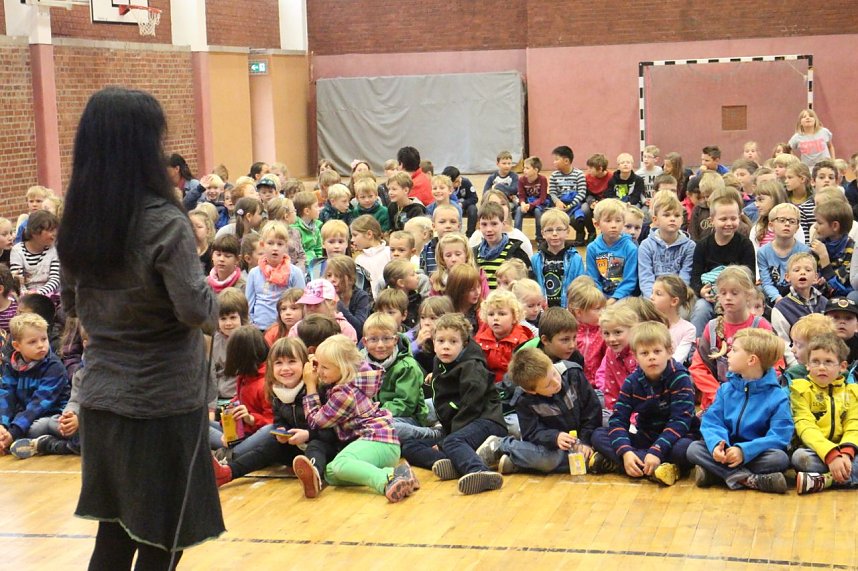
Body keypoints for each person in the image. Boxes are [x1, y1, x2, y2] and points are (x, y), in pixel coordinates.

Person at [58, 88, 224, 567]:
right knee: (162, 537)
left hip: (102, 396)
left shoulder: (78, 221)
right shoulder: (164, 222)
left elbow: (70, 305)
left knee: (112, 538)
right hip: (165, 399)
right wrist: (220, 304)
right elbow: (195, 310)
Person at [302, 335, 417, 502]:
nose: (319, 371)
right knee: (331, 473)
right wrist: (320, 359)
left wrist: (310, 385)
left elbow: (315, 421)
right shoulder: (353, 377)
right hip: (381, 444)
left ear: (343, 368)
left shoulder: (345, 394)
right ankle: (400, 474)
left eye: (325, 367)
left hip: (377, 441)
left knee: (341, 464)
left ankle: (386, 481)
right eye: (318, 365)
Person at [400, 313, 506, 495]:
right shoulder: (439, 362)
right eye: (440, 341)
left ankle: (479, 471)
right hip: (458, 428)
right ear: (433, 342)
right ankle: (456, 462)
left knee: (452, 442)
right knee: (409, 445)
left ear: (464, 344)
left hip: (486, 422)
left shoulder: (472, 366)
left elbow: (471, 407)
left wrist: (444, 443)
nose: (445, 347)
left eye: (453, 342)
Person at [589, 322, 698, 486]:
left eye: (657, 351)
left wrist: (657, 450)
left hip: (677, 438)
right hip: (646, 437)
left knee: (686, 450)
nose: (651, 357)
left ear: (669, 351)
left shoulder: (680, 378)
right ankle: (654, 467)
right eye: (644, 353)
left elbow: (680, 422)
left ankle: (627, 465)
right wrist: (625, 451)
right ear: (635, 356)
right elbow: (618, 420)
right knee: (598, 435)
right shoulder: (632, 382)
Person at [686, 329, 794, 493]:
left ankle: (716, 474)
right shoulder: (725, 389)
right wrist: (717, 445)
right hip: (726, 451)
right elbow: (711, 421)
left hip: (755, 454)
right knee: (693, 449)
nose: (728, 354)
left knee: (779, 459)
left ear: (751, 360)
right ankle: (748, 479)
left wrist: (744, 451)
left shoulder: (778, 396)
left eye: (734, 350)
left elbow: (780, 437)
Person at [479, 347, 600, 474]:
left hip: (584, 434)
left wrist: (585, 441)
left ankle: (519, 462)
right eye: (548, 385)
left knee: (605, 429)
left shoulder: (573, 373)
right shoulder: (524, 400)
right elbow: (531, 433)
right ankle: (502, 446)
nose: (556, 382)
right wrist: (554, 437)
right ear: (531, 391)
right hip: (554, 446)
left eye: (553, 373)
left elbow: (592, 410)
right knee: (549, 460)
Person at [690, 266, 775, 409]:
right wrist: (718, 395)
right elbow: (699, 367)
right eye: (723, 293)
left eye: (734, 293)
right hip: (717, 400)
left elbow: (775, 366)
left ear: (748, 295)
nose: (728, 297)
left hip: (755, 399)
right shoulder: (712, 328)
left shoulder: (761, 326)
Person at [790, 334, 858, 494]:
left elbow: (854, 424)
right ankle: (846, 475)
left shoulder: (853, 392)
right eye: (815, 362)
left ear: (842, 366)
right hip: (816, 452)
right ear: (807, 365)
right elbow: (805, 427)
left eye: (828, 362)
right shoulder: (800, 390)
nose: (821, 367)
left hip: (849, 451)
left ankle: (824, 480)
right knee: (799, 458)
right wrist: (831, 455)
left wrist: (846, 454)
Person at [361, 313, 438, 442]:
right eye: (373, 339)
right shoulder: (360, 363)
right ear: (365, 342)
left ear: (395, 340)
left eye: (386, 339)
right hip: (373, 415)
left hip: (407, 417)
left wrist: (375, 413)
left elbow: (406, 405)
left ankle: (431, 434)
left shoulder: (407, 366)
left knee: (386, 427)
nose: (380, 345)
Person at [0, 313, 69, 456]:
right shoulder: (11, 366)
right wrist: (3, 426)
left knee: (37, 428)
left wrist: (13, 432)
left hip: (52, 414)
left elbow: (39, 404)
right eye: (32, 342)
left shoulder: (54, 366)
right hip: (26, 416)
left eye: (44, 339)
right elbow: (6, 397)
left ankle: (48, 444)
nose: (41, 345)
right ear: (17, 346)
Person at [690, 191, 757, 334]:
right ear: (712, 220)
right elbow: (695, 277)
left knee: (754, 301)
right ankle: (696, 346)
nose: (729, 223)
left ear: (739, 218)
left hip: (737, 295)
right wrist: (701, 291)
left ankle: (750, 338)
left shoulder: (745, 245)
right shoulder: (702, 246)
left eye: (733, 219)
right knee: (701, 308)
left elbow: (750, 277)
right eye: (723, 219)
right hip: (711, 297)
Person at [246, 221, 306, 330]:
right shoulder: (254, 273)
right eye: (270, 243)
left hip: (286, 328)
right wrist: (251, 325)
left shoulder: (295, 273)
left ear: (286, 246)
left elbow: (302, 303)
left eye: (280, 244)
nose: (275, 248)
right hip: (260, 328)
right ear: (262, 245)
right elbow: (249, 305)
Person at [637, 190, 695, 298]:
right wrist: (654, 299)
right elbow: (646, 278)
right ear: (655, 220)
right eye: (667, 215)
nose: (672, 218)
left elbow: (685, 277)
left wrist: (673, 300)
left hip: (678, 298)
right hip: (651, 297)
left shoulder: (689, 246)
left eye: (677, 215)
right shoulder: (646, 246)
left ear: (682, 220)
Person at [585, 198, 638, 303]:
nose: (614, 225)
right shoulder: (592, 248)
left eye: (618, 221)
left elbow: (630, 280)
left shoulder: (630, 248)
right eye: (608, 221)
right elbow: (593, 279)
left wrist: (614, 299)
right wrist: (601, 299)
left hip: (624, 298)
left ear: (623, 223)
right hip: (599, 298)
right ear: (597, 224)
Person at [757, 203, 810, 305]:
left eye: (792, 221)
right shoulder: (763, 252)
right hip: (773, 296)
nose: (787, 224)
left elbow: (804, 281)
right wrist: (778, 299)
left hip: (797, 294)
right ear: (771, 225)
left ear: (797, 227)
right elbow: (766, 282)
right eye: (782, 220)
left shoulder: (804, 251)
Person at [530, 208, 584, 308]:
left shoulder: (575, 259)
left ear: (567, 231)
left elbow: (580, 287)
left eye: (559, 229)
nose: (554, 233)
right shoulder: (535, 259)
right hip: (543, 311)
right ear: (543, 233)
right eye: (549, 230)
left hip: (568, 311)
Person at [473, 202, 532, 289]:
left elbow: (525, 285)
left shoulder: (516, 252)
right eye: (484, 224)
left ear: (503, 224)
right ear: (479, 225)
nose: (489, 229)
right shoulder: (474, 253)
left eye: (494, 224)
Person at [10, 210, 60, 297]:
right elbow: (18, 280)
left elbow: (55, 279)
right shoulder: (17, 251)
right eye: (50, 230)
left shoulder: (54, 249)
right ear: (34, 232)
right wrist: (26, 293)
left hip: (48, 293)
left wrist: (39, 293)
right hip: (24, 295)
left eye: (55, 230)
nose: (54, 234)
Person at [650, 275, 696, 364]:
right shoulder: (647, 323)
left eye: (658, 293)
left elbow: (677, 360)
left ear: (674, 301)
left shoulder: (688, 329)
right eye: (652, 292)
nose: (651, 297)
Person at [548, 146, 588, 244]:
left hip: (575, 204)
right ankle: (553, 238)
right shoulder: (554, 175)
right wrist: (557, 202)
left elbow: (582, 192)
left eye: (557, 159)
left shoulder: (579, 174)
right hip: (559, 203)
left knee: (576, 218)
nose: (554, 162)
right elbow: (552, 192)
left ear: (566, 161)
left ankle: (580, 235)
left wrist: (570, 205)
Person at [516, 156, 549, 238]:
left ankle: (539, 237)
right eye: (524, 168)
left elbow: (542, 198)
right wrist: (523, 204)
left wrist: (531, 205)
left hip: (539, 204)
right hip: (526, 204)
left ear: (536, 170)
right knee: (518, 210)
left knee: (538, 212)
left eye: (527, 168)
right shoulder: (521, 180)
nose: (524, 170)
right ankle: (517, 236)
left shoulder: (542, 179)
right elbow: (521, 195)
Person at [291, 190, 323, 263]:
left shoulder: (316, 227)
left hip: (314, 264)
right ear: (307, 211)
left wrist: (319, 262)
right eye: (316, 206)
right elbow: (297, 254)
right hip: (303, 265)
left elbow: (318, 249)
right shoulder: (295, 230)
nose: (319, 209)